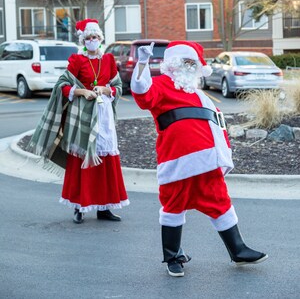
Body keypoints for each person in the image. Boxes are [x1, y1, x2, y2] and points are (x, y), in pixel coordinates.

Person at [130, 40, 267, 277]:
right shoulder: (162, 85)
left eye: (193, 63)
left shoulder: (201, 95)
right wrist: (142, 62)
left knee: (219, 200)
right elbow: (142, 93)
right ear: (173, 63)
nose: (190, 66)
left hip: (207, 161)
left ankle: (238, 249)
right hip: (178, 161)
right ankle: (172, 257)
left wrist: (224, 153)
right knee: (173, 204)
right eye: (185, 61)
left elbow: (217, 126)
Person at [28, 18, 129, 224]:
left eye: (95, 37)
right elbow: (62, 86)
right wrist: (82, 91)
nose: (92, 40)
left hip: (104, 115)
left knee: (106, 160)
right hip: (82, 116)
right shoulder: (76, 60)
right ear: (83, 40)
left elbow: (117, 86)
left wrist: (105, 89)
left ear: (100, 39)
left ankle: (105, 208)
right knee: (83, 161)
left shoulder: (108, 60)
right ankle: (79, 207)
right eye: (88, 37)